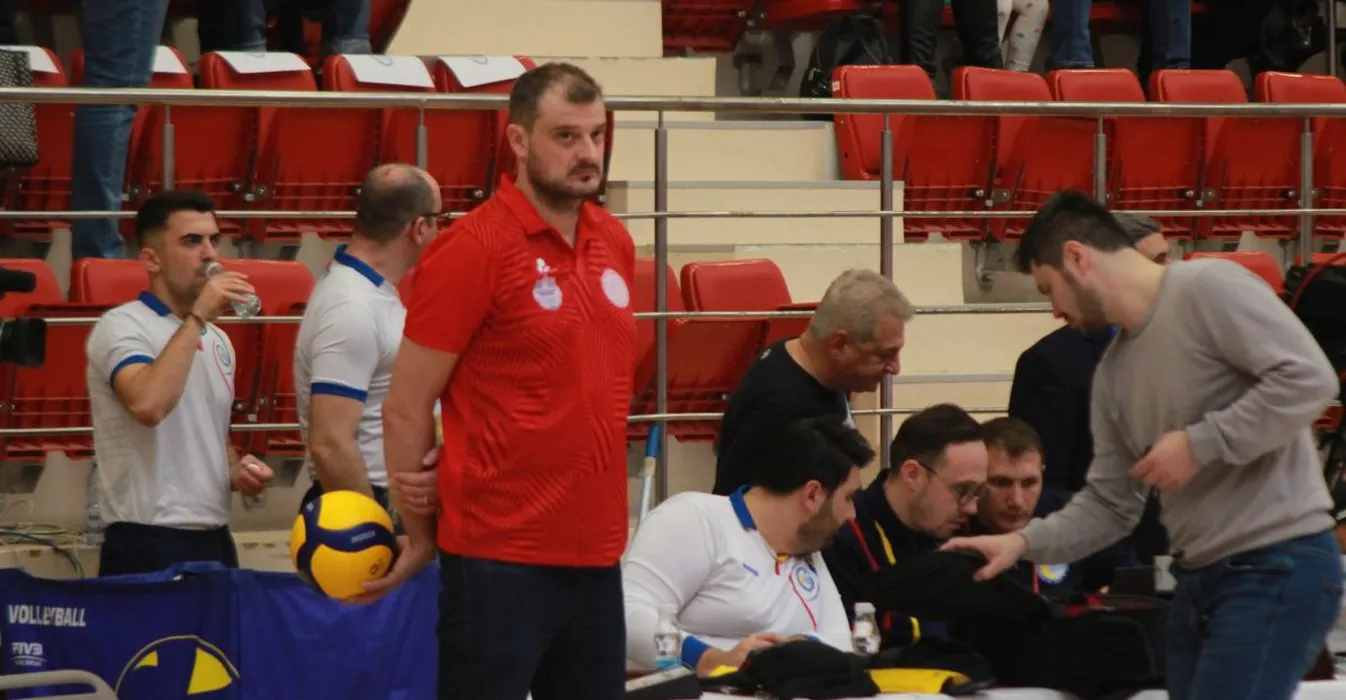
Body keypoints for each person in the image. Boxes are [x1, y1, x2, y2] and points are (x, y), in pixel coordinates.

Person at [944, 190, 1341, 700]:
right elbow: (1110, 506)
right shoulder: (1113, 373)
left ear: (1077, 258)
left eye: (1049, 289)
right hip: (1195, 578)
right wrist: (1022, 543)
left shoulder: (1208, 287)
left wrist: (1200, 443)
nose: (1054, 310)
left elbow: (1309, 379)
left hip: (1274, 562)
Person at [367, 63, 635, 700]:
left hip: (598, 555)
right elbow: (405, 405)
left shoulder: (615, 241)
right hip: (497, 557)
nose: (588, 153)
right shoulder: (474, 247)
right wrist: (420, 532)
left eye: (596, 135)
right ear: (518, 139)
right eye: (566, 136)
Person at [85, 190, 275, 576]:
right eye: (191, 241)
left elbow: (209, 431)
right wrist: (197, 318)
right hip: (145, 537)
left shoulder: (218, 339)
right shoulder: (122, 325)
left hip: (215, 535)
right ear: (151, 258)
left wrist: (236, 470)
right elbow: (148, 405)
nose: (209, 254)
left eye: (214, 240)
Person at [623, 417, 873, 675]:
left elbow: (842, 641)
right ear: (812, 495)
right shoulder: (695, 519)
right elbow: (627, 613)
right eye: (848, 498)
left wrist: (793, 650)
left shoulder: (809, 551)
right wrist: (708, 659)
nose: (853, 514)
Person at [1009, 212, 1172, 574]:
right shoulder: (1051, 363)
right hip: (1112, 566)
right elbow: (1048, 488)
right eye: (1157, 261)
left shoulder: (1188, 336)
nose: (1168, 274)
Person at [294, 164, 442, 520]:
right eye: (440, 219)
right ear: (419, 228)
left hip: (386, 493)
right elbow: (330, 442)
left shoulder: (367, 293)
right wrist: (373, 529)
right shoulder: (352, 307)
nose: (442, 230)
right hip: (372, 498)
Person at [713, 268, 912, 496]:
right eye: (886, 355)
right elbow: (740, 502)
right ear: (839, 344)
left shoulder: (806, 362)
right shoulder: (782, 409)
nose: (895, 368)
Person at [822, 403, 988, 647]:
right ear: (912, 474)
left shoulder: (969, 534)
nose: (971, 508)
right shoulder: (844, 537)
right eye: (962, 489)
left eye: (979, 492)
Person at [967, 416, 1109, 594]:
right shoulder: (954, 524)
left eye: (1029, 483)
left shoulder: (1071, 516)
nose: (1017, 501)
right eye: (1001, 483)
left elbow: (1133, 577)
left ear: (1043, 474)